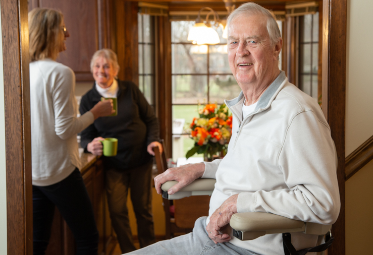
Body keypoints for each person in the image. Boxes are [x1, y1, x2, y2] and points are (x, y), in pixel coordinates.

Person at [127, 3, 340, 255]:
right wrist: (202, 168)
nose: (241, 52)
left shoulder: (297, 113)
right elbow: (254, 168)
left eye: (252, 41)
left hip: (246, 249)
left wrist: (239, 204)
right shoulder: (247, 105)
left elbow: (323, 203)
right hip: (208, 236)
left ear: (276, 47)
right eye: (232, 42)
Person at [29, 8, 114, 255]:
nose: (66, 35)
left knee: (37, 243)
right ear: (50, 33)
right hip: (60, 171)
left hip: (33, 173)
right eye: (62, 29)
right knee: (87, 238)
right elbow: (64, 129)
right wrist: (96, 112)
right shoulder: (60, 72)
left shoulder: (25, 71)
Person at [79, 49, 162, 253]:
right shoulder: (88, 100)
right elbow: (86, 134)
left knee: (143, 211)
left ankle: (149, 251)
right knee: (117, 212)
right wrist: (89, 145)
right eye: (97, 66)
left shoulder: (130, 89)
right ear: (92, 70)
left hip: (140, 160)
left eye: (106, 66)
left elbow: (150, 118)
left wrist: (152, 141)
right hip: (113, 165)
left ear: (115, 69)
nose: (101, 70)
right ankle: (129, 252)